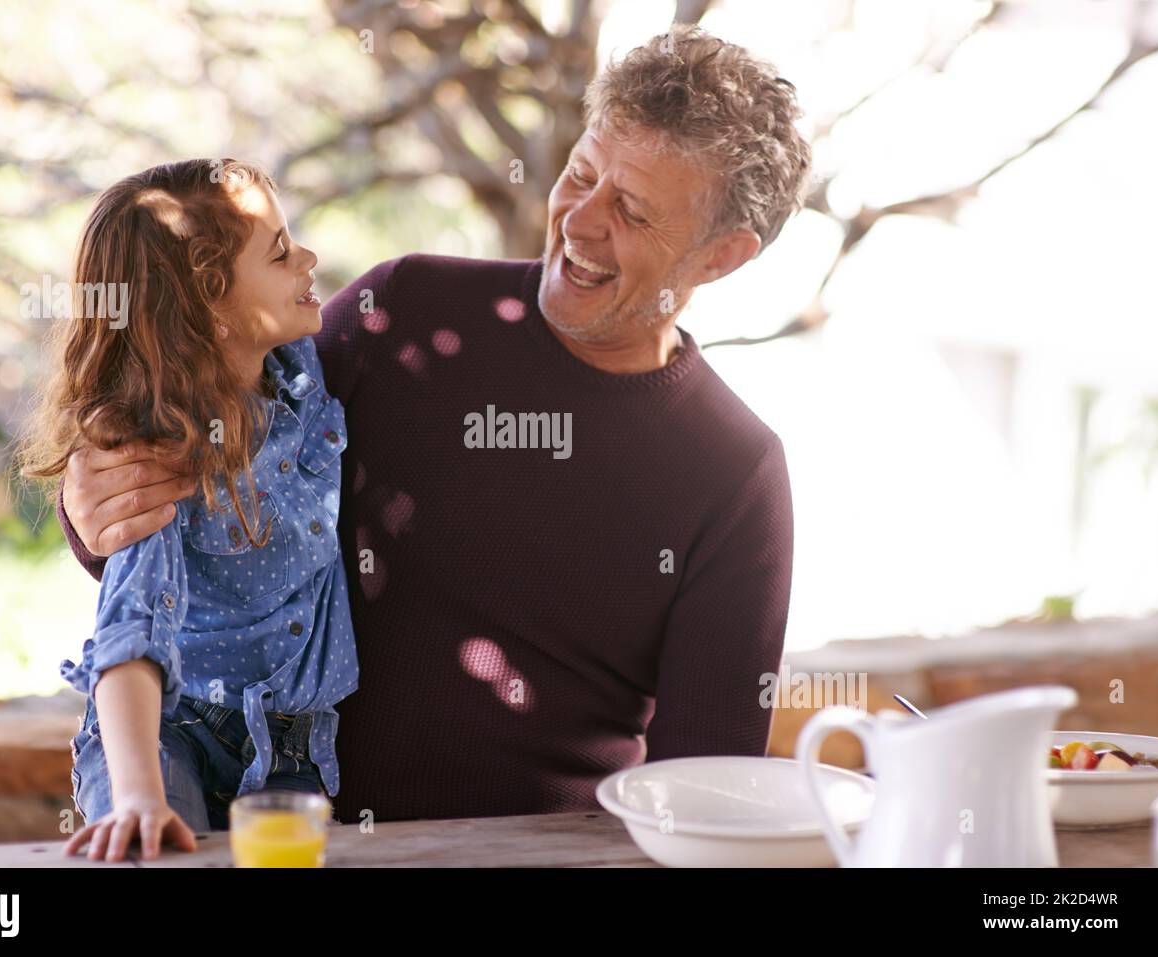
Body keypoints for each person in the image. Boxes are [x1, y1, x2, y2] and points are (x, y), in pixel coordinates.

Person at [55, 25, 810, 824]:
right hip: (304, 837)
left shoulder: (737, 475)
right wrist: (94, 505)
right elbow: (205, 453)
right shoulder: (403, 313)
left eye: (630, 211)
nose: (579, 223)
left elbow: (701, 797)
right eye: (581, 174)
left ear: (721, 255)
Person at [17, 158, 357, 860]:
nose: (310, 259)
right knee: (155, 844)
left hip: (294, 746)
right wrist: (141, 791)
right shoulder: (156, 454)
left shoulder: (303, 375)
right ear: (208, 304)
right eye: (281, 252)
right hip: (166, 732)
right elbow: (130, 638)